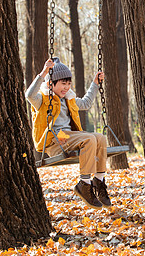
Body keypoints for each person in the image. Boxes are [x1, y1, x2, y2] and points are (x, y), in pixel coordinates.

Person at [26, 57, 111, 210]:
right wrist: (43, 73)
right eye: (62, 84)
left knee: (100, 138)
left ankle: (98, 180)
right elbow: (29, 95)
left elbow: (86, 103)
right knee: (89, 139)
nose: (66, 88)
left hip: (68, 136)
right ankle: (84, 184)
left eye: (68, 84)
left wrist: (95, 84)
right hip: (54, 140)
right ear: (51, 84)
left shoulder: (69, 99)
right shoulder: (43, 99)